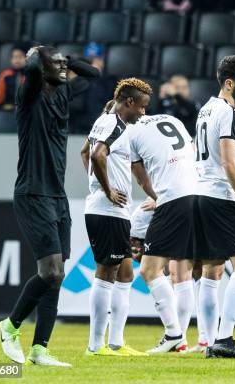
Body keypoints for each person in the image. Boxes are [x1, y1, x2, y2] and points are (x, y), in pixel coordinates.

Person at [0, 45, 100, 367]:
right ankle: (9, 326)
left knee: (58, 276)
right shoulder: (29, 97)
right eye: (54, 63)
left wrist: (63, 61)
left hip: (58, 196)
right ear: (40, 69)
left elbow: (93, 74)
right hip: (32, 193)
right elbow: (28, 71)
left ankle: (40, 349)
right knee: (51, 271)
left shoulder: (63, 92)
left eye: (63, 63)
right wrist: (36, 57)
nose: (63, 68)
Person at [79, 78, 151, 357]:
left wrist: (96, 184)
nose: (143, 113)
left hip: (112, 210)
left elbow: (85, 152)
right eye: (142, 107)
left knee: (125, 271)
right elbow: (97, 154)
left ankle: (117, 343)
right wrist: (106, 189)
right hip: (107, 210)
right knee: (106, 271)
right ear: (129, 102)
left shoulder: (104, 120)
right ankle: (96, 346)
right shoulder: (115, 124)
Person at [194, 55, 235, 359]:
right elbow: (233, 162)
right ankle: (225, 337)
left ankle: (209, 342)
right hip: (222, 196)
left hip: (202, 194)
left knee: (213, 269)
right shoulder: (227, 113)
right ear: (229, 83)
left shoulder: (206, 109)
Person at [127, 111, 199, 354]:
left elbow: (143, 182)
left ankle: (173, 334)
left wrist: (158, 197)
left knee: (149, 269)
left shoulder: (130, 132)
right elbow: (193, 150)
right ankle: (184, 339)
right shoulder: (172, 118)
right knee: (181, 271)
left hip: (173, 198)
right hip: (197, 193)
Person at [69, 43, 117, 134]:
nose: (92, 64)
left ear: (102, 61)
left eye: (96, 60)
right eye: (89, 61)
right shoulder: (78, 81)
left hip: (103, 131)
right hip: (78, 131)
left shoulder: (112, 82)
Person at [0, 43, 30, 112]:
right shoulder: (5, 76)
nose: (16, 60)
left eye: (20, 57)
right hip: (7, 112)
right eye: (14, 57)